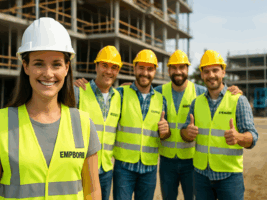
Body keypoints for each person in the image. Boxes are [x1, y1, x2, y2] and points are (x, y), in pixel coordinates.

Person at [0, 17, 101, 200]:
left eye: (56, 64)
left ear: (67, 68)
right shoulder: (0, 124)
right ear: (25, 66)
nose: (48, 73)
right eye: (39, 63)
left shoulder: (83, 124)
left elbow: (92, 191)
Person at [74, 49, 169, 200]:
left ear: (155, 71)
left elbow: (165, 133)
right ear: (134, 68)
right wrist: (74, 83)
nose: (145, 73)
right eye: (141, 68)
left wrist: (166, 132)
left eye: (150, 69)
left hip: (144, 168)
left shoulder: (159, 99)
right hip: (121, 168)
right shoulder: (120, 94)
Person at [154, 50, 243, 200]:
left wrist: (232, 90)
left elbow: (218, 91)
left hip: (192, 162)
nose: (178, 71)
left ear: (187, 69)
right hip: (166, 162)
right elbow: (141, 93)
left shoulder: (200, 92)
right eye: (174, 68)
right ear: (168, 70)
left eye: (182, 67)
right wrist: (127, 86)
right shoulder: (158, 92)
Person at [180, 50, 258, 200]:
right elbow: (184, 132)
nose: (211, 75)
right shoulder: (196, 103)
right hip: (201, 176)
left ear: (223, 72)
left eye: (215, 70)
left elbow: (252, 136)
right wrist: (186, 133)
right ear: (202, 74)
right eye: (206, 71)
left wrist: (238, 137)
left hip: (229, 178)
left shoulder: (238, 100)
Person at [73, 45, 122, 200]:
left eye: (114, 67)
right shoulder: (79, 91)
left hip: (106, 170)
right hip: (81, 169)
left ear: (118, 71)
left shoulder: (119, 97)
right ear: (96, 66)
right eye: (104, 65)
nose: (109, 71)